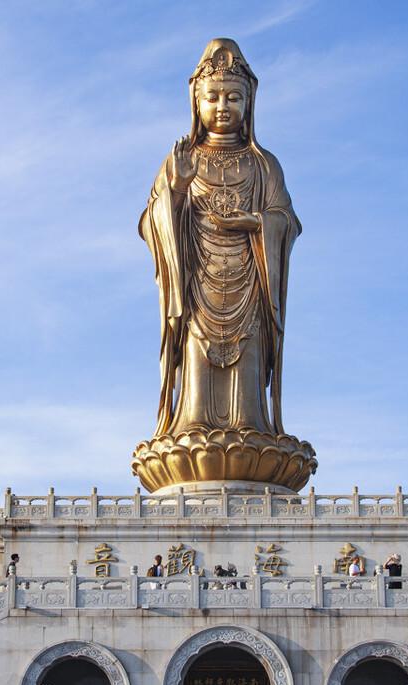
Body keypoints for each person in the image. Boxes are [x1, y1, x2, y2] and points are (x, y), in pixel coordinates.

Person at [140, 38, 301, 441]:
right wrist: (175, 190)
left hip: (250, 285)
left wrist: (257, 222)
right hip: (197, 288)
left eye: (233, 97)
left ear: (249, 104)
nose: (222, 107)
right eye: (212, 97)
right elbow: (151, 221)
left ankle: (251, 427)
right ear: (196, 102)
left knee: (246, 374)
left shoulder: (263, 165)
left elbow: (286, 221)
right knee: (196, 363)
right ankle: (192, 425)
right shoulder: (181, 159)